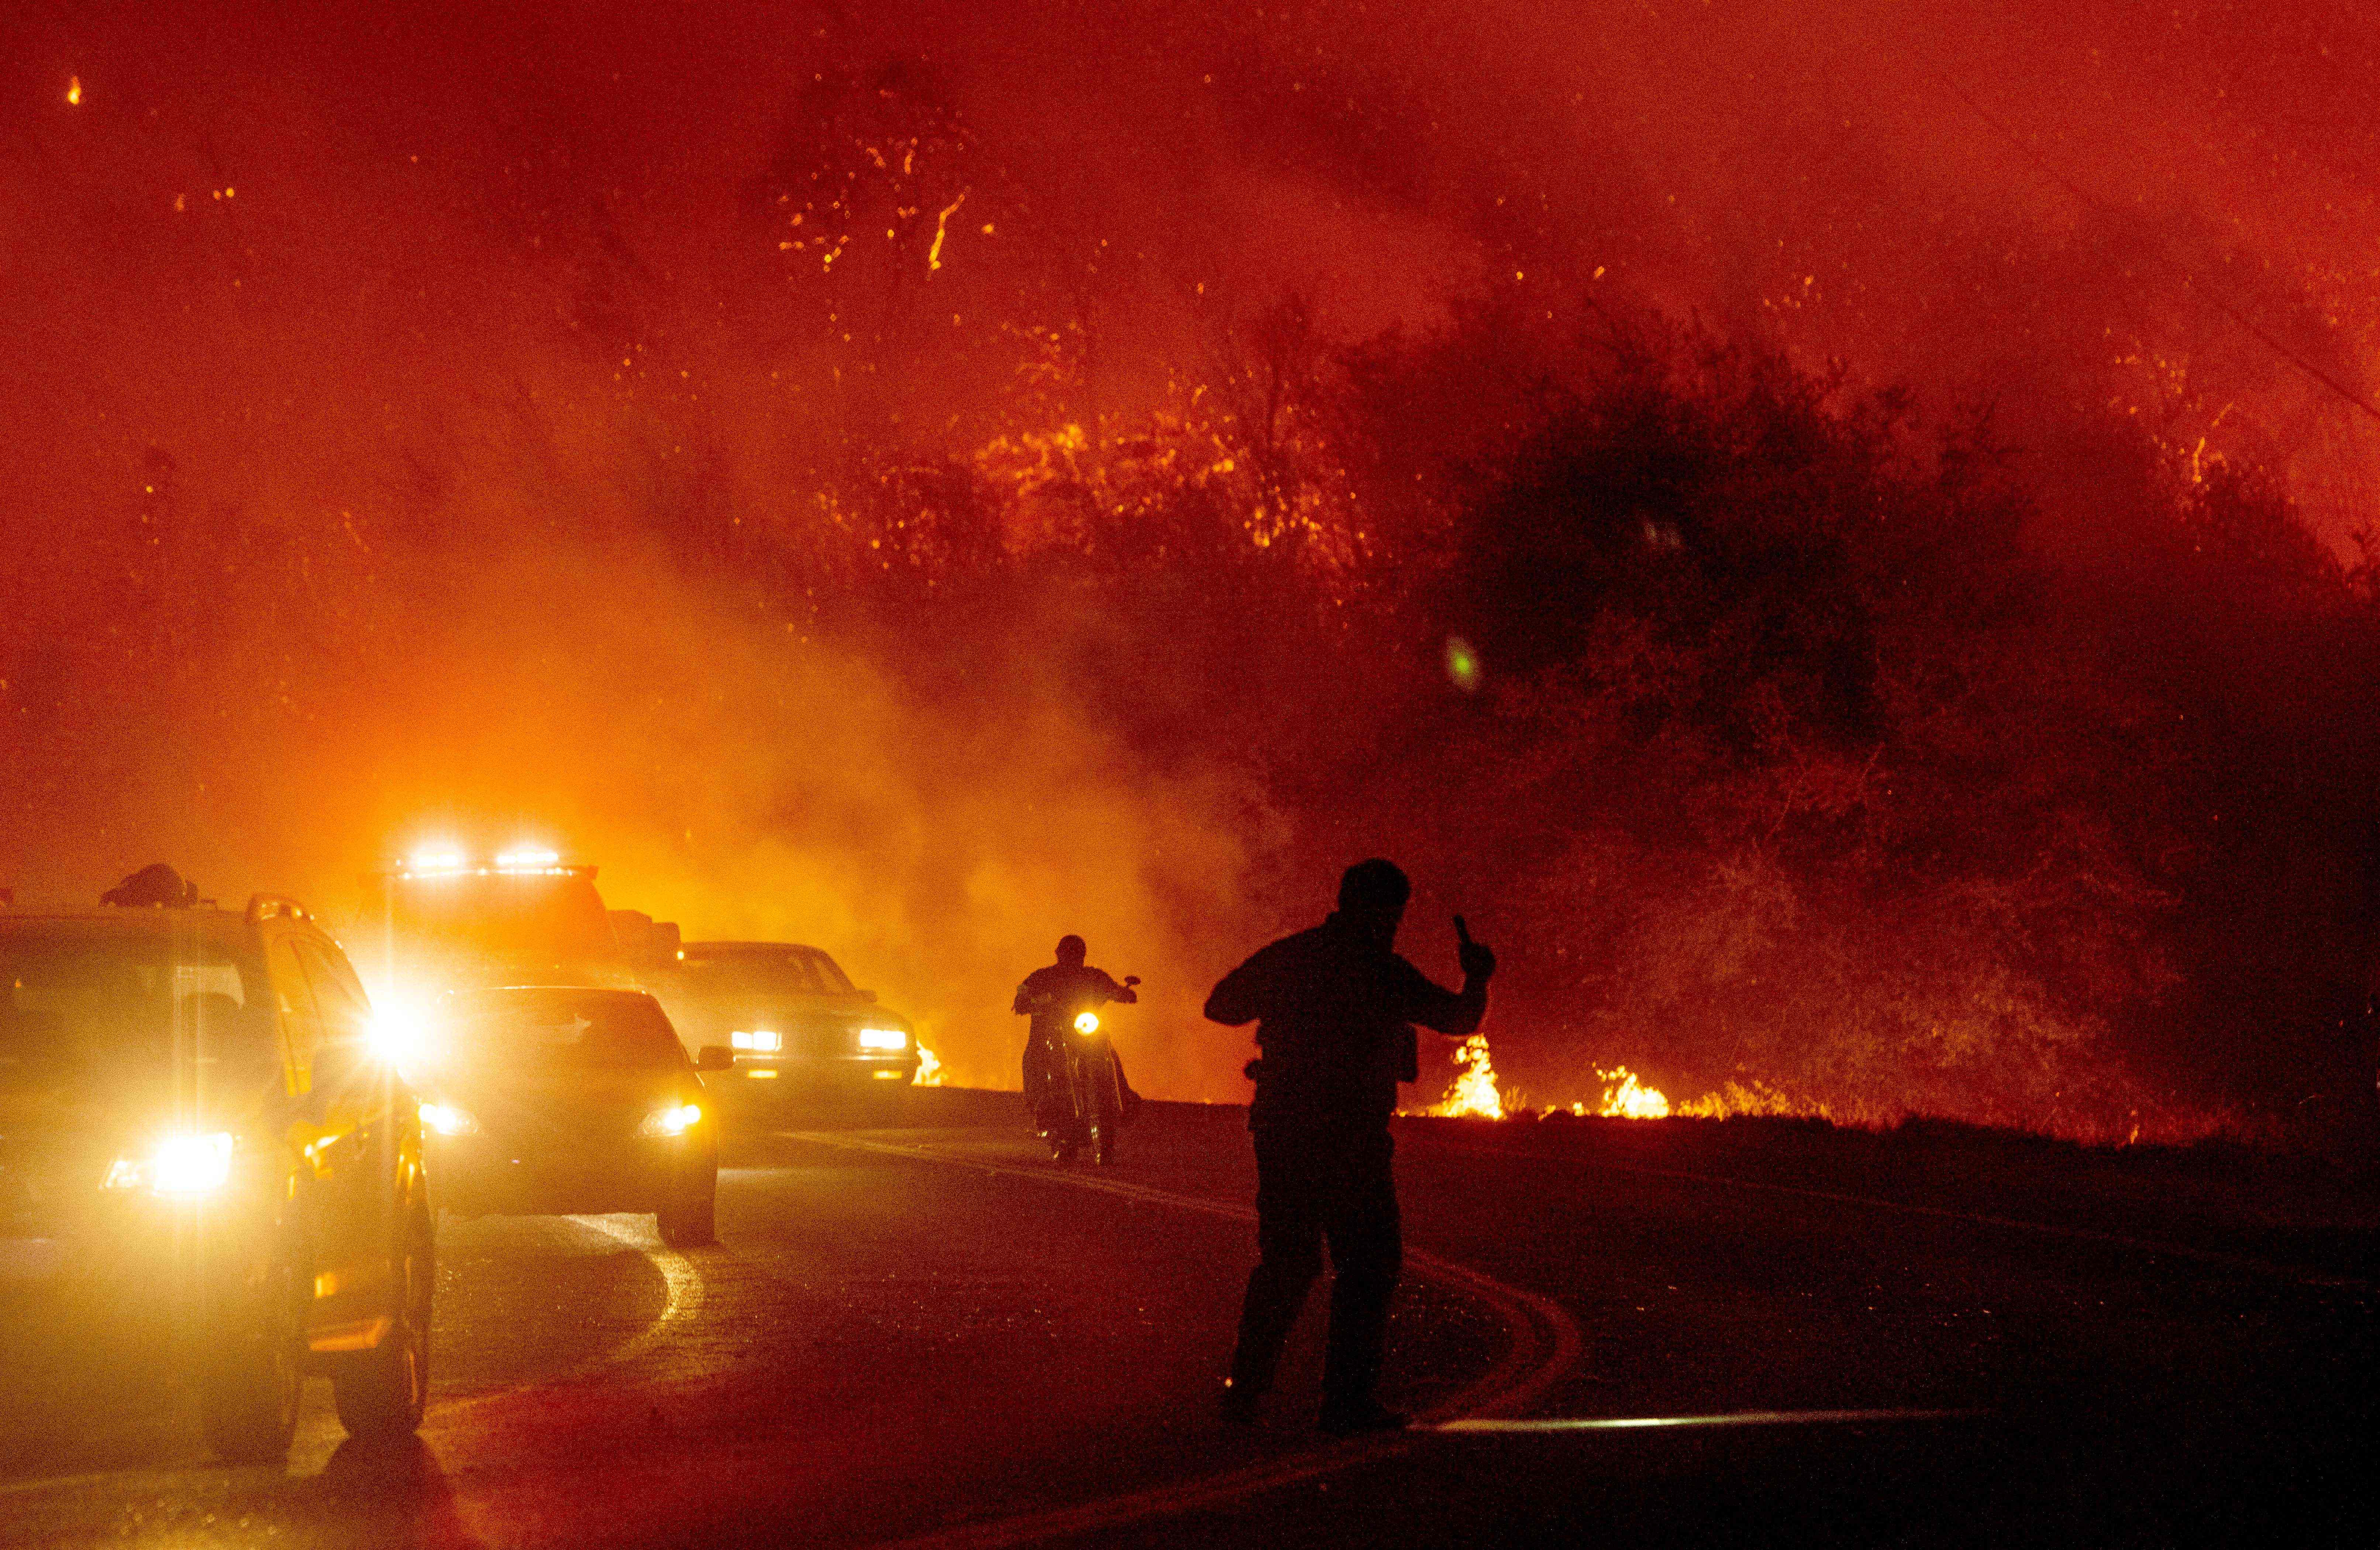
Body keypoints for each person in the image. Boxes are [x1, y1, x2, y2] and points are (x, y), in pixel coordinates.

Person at [1204, 858, 1495, 1434]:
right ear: (1383, 912)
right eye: (1392, 915)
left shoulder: (1294, 955)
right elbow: (1457, 1018)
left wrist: (1284, 1010)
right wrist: (1479, 975)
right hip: (1350, 1140)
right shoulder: (1382, 970)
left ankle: (1245, 1397)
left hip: (1286, 1131)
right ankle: (1344, 1402)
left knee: (1287, 1265)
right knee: (1367, 1266)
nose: (1393, 925)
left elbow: (1221, 1005)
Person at [1013, 935, 1138, 1135]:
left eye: (1077, 954)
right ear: (1058, 954)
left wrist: (1124, 993)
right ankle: (1039, 1104)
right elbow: (1024, 991)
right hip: (1050, 1033)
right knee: (1034, 1056)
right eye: (1068, 953)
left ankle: (1124, 1098)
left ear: (1083, 956)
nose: (1072, 958)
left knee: (1108, 1050)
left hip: (1084, 1031)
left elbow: (1112, 989)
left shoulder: (1094, 977)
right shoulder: (1042, 977)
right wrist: (1023, 1000)